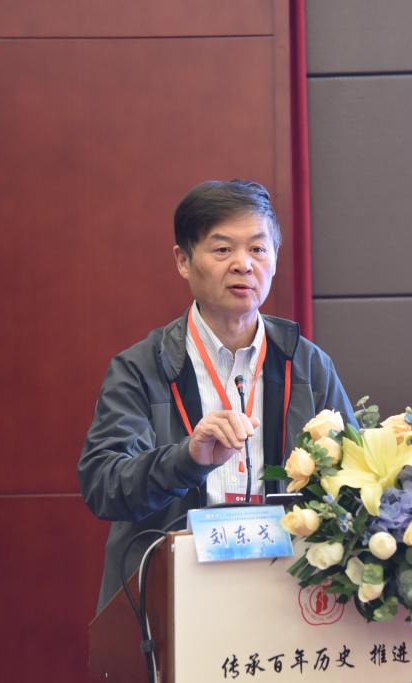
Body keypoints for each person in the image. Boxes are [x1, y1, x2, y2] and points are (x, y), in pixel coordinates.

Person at [78, 179, 357, 611]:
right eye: (223, 249)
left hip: (284, 596)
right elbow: (104, 485)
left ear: (275, 259)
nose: (243, 264)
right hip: (174, 598)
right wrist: (186, 459)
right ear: (183, 260)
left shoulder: (306, 364)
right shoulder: (140, 368)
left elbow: (355, 481)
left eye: (258, 249)